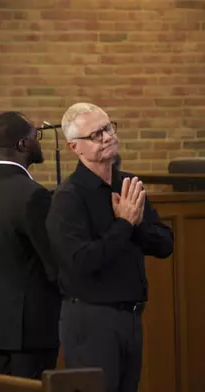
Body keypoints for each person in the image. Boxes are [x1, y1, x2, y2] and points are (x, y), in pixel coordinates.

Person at [46, 103, 174, 392]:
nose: (106, 137)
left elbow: (165, 244)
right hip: (91, 320)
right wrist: (124, 225)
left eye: (108, 127)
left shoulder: (128, 184)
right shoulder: (68, 198)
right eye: (95, 135)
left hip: (130, 315)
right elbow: (81, 262)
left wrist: (136, 223)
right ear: (74, 147)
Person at [0, 112, 61, 379]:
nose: (38, 142)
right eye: (34, 136)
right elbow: (53, 263)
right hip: (30, 328)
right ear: (22, 144)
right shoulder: (33, 195)